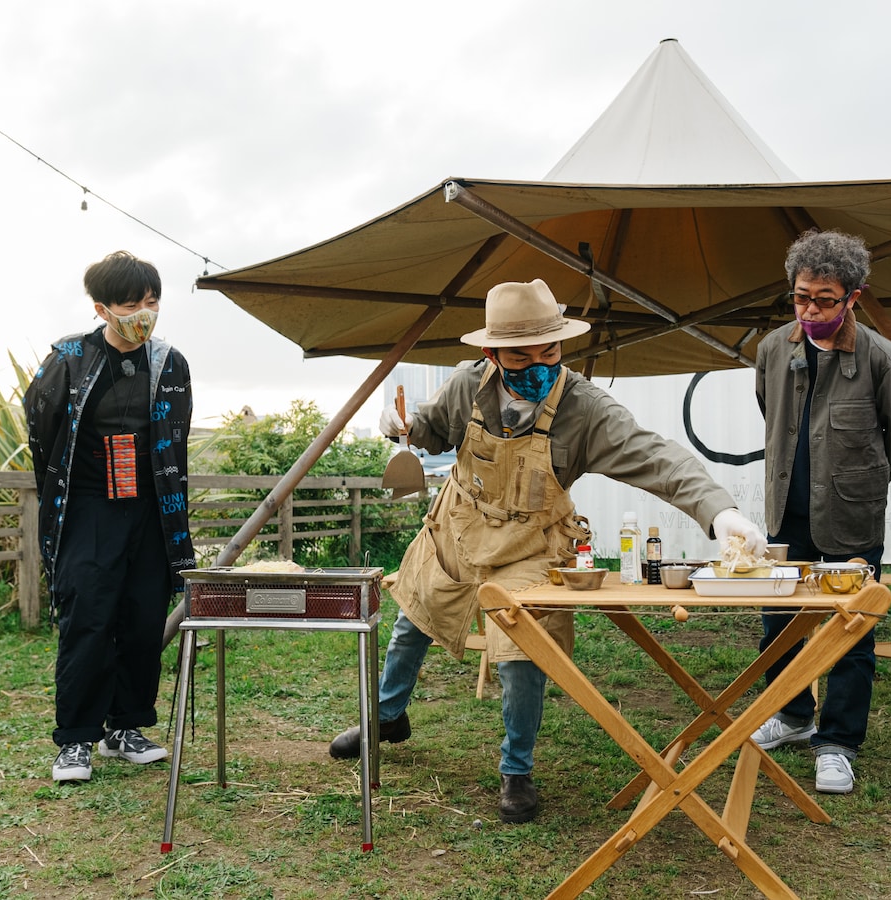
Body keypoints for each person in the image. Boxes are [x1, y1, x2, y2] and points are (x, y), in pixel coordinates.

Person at [327, 278, 766, 823]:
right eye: (521, 355)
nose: (539, 364)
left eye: (550, 352)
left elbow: (655, 456)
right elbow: (431, 432)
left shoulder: (584, 409)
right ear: (491, 353)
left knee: (520, 658)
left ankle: (517, 771)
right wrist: (401, 426)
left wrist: (719, 512)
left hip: (530, 546)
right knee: (412, 621)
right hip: (457, 527)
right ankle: (385, 718)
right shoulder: (468, 385)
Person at [750, 229, 891, 794]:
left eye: (825, 298)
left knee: (852, 628)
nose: (811, 309)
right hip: (785, 514)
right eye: (801, 297)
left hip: (851, 515)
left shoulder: (884, 358)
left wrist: (854, 482)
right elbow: (770, 412)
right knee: (778, 622)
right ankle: (793, 715)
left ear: (853, 297)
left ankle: (839, 742)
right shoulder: (773, 349)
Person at [24, 250, 195, 783]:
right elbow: (43, 428)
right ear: (102, 308)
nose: (145, 312)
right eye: (131, 303)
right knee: (89, 616)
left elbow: (178, 439)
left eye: (152, 300)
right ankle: (75, 740)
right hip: (89, 508)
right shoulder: (69, 357)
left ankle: (127, 727)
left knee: (144, 616)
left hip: (150, 510)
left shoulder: (170, 362)